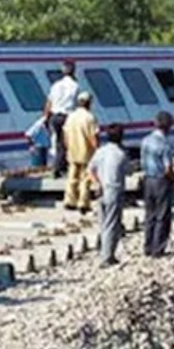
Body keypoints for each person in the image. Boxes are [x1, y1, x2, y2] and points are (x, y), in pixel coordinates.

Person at [87, 124, 128, 266]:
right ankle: (107, 257)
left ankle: (104, 252)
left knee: (103, 223)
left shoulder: (100, 152)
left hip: (100, 190)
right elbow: (127, 171)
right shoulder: (121, 154)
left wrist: (97, 182)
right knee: (112, 224)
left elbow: (90, 170)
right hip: (114, 190)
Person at [140, 111, 174, 257]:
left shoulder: (145, 140)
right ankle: (158, 248)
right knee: (162, 215)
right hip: (161, 180)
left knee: (150, 214)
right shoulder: (165, 144)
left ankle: (147, 246)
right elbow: (168, 168)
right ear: (168, 127)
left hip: (147, 179)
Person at [62, 92, 99, 213]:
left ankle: (69, 200)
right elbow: (93, 136)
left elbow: (65, 134)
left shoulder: (71, 116)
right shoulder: (90, 117)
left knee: (72, 176)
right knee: (85, 178)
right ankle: (83, 202)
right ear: (89, 103)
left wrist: (67, 147)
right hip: (86, 151)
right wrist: (97, 150)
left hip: (72, 150)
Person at [44, 60, 79, 178]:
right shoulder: (75, 86)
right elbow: (76, 104)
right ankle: (61, 168)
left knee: (59, 142)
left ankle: (58, 166)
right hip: (67, 117)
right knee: (67, 144)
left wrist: (46, 118)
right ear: (73, 71)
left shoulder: (55, 85)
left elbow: (49, 103)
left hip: (55, 117)